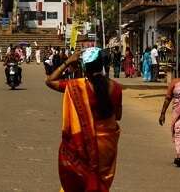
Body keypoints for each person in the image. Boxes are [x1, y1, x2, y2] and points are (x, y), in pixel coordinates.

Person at [45, 48, 122, 192]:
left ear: (84, 67)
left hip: (82, 145)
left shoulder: (76, 86)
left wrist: (68, 62)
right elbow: (118, 116)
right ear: (102, 64)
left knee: (80, 182)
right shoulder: (116, 88)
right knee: (100, 182)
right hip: (106, 146)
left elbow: (50, 80)